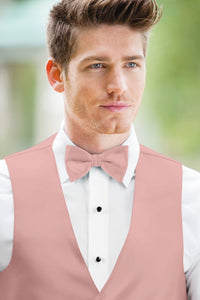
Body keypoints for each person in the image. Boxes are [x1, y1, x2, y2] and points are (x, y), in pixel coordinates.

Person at [0, 0, 199, 299]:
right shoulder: (4, 192)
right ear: (56, 75)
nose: (118, 85)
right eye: (97, 65)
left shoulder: (192, 197)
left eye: (131, 64)